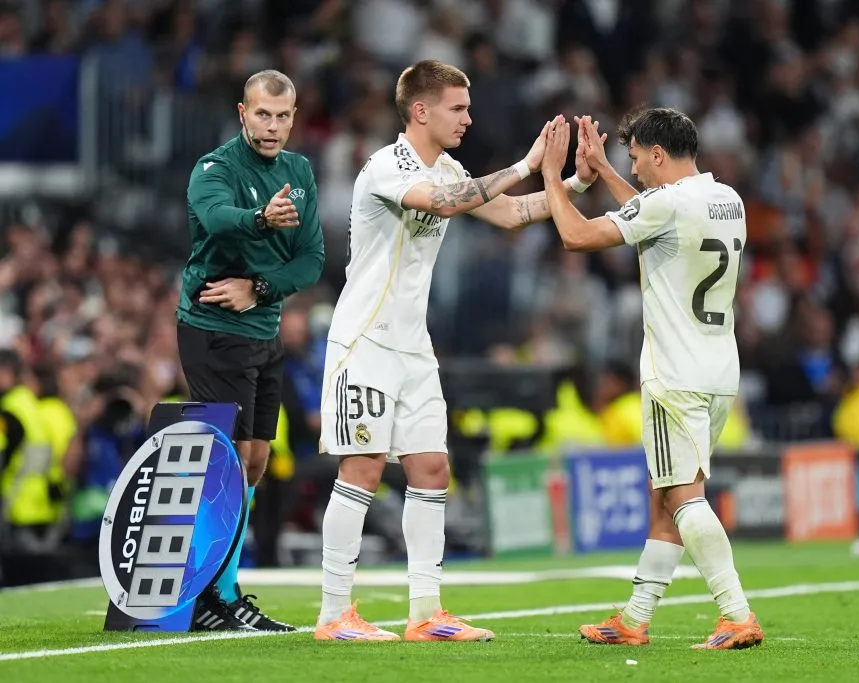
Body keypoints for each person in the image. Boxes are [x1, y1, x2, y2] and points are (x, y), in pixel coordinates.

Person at [314, 59, 599, 642]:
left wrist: (575, 184)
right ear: (421, 110)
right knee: (363, 469)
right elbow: (446, 203)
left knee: (432, 467)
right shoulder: (385, 167)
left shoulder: (446, 165)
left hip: (414, 345)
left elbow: (512, 213)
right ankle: (334, 612)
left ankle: (425, 613)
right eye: (458, 108)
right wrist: (526, 163)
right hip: (365, 339)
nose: (469, 118)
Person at [539, 110, 764, 649]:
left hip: (673, 375)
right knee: (666, 497)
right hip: (718, 371)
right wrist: (604, 170)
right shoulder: (726, 199)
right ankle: (634, 619)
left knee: (682, 496)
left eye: (636, 157)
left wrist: (552, 176)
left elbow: (575, 236)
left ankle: (736, 614)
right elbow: (652, 213)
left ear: (658, 154)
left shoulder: (664, 204)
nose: (634, 169)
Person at [176, 69, 325, 631]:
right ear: (243, 112)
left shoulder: (300, 172)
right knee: (231, 463)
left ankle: (219, 585)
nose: (273, 126)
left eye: (283, 115)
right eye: (263, 114)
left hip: (264, 329)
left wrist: (260, 287)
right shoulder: (215, 168)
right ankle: (217, 594)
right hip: (212, 330)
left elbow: (312, 259)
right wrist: (261, 219)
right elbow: (215, 219)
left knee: (257, 460)